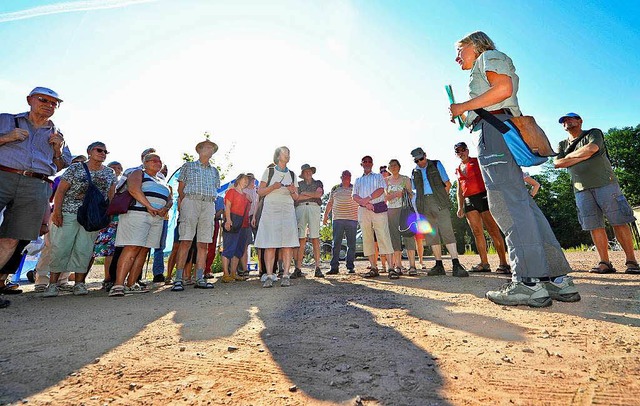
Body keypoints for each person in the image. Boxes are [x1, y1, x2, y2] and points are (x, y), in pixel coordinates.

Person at [449, 31, 580, 306]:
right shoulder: (485, 62)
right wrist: (467, 113)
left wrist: (463, 106)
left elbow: (503, 89)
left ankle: (528, 282)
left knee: (507, 205)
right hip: (495, 127)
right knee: (522, 204)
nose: (456, 57)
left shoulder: (488, 56)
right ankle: (555, 278)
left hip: (493, 132)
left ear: (476, 45)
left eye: (460, 50)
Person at [0, 87, 72, 302]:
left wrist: (58, 151)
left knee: (13, 238)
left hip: (36, 183)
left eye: (54, 103)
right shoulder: (7, 120)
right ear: (29, 100)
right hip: (4, 175)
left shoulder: (57, 133)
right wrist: (5, 138)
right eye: (43, 100)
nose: (48, 105)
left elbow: (62, 164)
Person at [554, 112, 638, 274]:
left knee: (618, 221)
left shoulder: (593, 133)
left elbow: (592, 148)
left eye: (570, 119)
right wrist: (583, 156)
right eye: (564, 121)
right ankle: (605, 262)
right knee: (594, 226)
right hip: (580, 189)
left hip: (605, 183)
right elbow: (557, 163)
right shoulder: (562, 144)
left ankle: (631, 261)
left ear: (580, 121)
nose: (567, 122)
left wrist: (571, 158)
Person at [43, 142, 116, 297]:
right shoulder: (75, 168)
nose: (103, 153)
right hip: (69, 212)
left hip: (93, 216)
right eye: (99, 150)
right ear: (89, 151)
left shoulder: (110, 173)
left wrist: (107, 215)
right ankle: (53, 284)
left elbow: (111, 195)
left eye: (105, 151)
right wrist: (56, 212)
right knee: (61, 247)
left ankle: (79, 284)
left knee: (85, 249)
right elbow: (61, 191)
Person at [109, 153, 172, 296]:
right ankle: (118, 284)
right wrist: (149, 206)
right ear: (145, 162)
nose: (158, 162)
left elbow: (170, 199)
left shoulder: (162, 181)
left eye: (159, 160)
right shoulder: (138, 173)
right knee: (132, 247)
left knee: (144, 250)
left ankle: (132, 283)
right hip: (138, 214)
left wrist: (165, 208)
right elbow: (133, 189)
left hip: (156, 218)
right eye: (153, 160)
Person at [410, 147, 468, 277]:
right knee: (431, 235)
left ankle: (456, 264)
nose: (420, 162)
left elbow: (447, 184)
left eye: (421, 158)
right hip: (424, 204)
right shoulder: (414, 172)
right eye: (417, 160)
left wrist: (442, 199)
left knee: (447, 231)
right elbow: (414, 190)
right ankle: (438, 265)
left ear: (425, 155)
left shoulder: (436, 164)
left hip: (439, 201)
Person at [454, 142, 510, 273]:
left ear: (467, 150)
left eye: (463, 150)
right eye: (458, 151)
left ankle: (504, 264)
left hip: (484, 196)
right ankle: (484, 263)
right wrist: (460, 206)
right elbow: (459, 190)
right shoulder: (457, 169)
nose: (461, 153)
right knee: (477, 232)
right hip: (469, 200)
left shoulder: (477, 161)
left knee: (493, 230)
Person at [172, 139, 220, 291]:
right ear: (199, 150)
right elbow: (181, 188)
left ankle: (199, 277)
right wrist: (183, 203)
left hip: (208, 203)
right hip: (191, 200)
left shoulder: (214, 171)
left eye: (212, 148)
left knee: (204, 243)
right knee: (185, 240)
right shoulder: (188, 166)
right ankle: (178, 279)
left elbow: (215, 189)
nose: (210, 150)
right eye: (207, 147)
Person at [254, 146, 299, 287]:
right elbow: (260, 192)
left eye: (289, 153)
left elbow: (296, 197)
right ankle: (268, 275)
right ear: (278, 156)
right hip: (271, 209)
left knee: (287, 243)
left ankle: (285, 275)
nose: (288, 155)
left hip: (287, 209)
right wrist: (273, 187)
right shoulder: (269, 171)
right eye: (285, 152)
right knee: (270, 243)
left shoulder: (292, 174)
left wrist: (292, 191)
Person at [352, 155, 395, 278]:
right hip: (364, 210)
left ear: (372, 164)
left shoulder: (378, 176)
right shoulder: (358, 180)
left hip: (378, 209)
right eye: (364, 161)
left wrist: (368, 200)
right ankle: (373, 267)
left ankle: (391, 268)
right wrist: (365, 203)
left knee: (384, 236)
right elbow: (354, 196)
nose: (367, 163)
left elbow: (381, 190)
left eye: (369, 161)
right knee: (367, 238)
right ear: (361, 164)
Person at [385, 159, 418, 275]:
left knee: (409, 235)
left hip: (405, 210)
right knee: (395, 238)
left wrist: (405, 193)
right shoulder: (386, 181)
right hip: (391, 211)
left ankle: (412, 266)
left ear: (399, 167)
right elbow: (384, 198)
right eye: (391, 166)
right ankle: (398, 266)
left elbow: (411, 194)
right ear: (389, 168)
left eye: (395, 165)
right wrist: (395, 195)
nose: (393, 167)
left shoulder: (405, 179)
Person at [323, 170, 359, 275]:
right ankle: (334, 267)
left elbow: (360, 202)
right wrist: (325, 216)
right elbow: (329, 203)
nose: (346, 178)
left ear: (351, 177)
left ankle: (350, 266)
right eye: (344, 176)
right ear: (341, 177)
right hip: (337, 219)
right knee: (336, 244)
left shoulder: (355, 188)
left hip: (352, 219)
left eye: (348, 176)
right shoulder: (335, 189)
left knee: (351, 244)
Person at [293, 163, 325, 278]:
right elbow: (297, 197)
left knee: (315, 237)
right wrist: (312, 195)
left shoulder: (318, 183)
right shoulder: (298, 184)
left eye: (309, 171)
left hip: (314, 208)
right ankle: (298, 268)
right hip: (300, 208)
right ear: (303, 174)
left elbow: (319, 194)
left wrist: (304, 193)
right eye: (306, 171)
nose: (308, 173)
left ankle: (317, 267)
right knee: (301, 238)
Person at [220, 173, 252, 283]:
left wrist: (249, 198)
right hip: (232, 221)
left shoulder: (245, 196)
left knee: (238, 250)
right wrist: (228, 220)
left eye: (247, 181)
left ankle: (233, 273)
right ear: (238, 180)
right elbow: (227, 206)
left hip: (243, 225)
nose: (246, 182)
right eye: (244, 179)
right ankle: (226, 274)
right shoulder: (231, 191)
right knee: (228, 248)